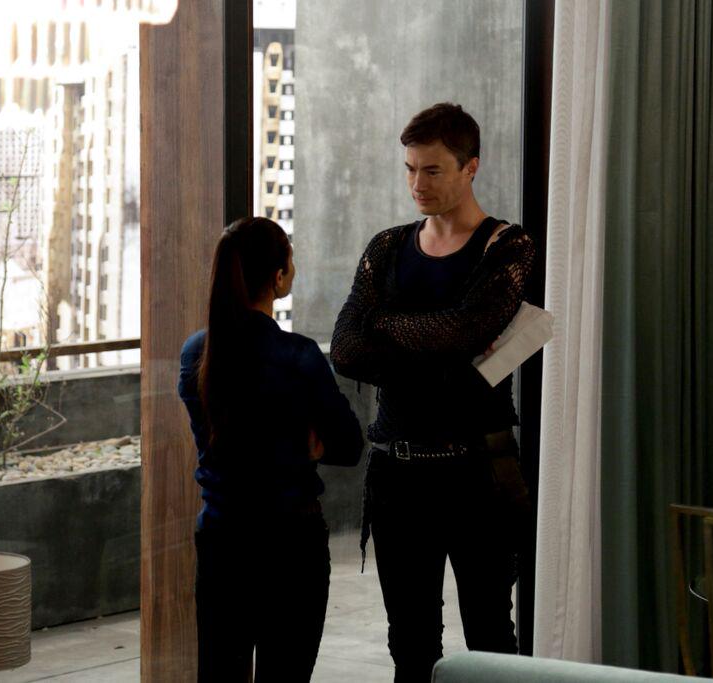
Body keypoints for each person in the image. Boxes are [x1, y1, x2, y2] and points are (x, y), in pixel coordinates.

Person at [329, 103, 536, 682]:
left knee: (491, 638)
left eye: (433, 170)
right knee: (410, 641)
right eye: (410, 169)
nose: (417, 183)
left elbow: (463, 333)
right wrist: (439, 348)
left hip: (479, 471)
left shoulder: (507, 246)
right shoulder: (387, 246)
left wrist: (386, 326)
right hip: (397, 473)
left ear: (471, 167)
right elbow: (345, 348)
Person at [179, 216, 364, 682]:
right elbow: (349, 445)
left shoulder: (196, 353)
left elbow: (218, 438)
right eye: (291, 261)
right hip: (290, 543)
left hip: (222, 538)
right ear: (279, 277)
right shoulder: (298, 355)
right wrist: (310, 447)